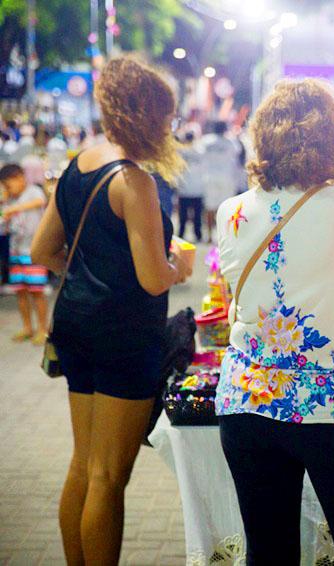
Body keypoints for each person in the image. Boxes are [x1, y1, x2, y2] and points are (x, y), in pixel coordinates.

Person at [215, 78, 334, 565]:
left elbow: (235, 291)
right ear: (330, 139)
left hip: (249, 399)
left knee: (268, 552)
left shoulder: (230, 211)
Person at [30, 55, 192, 566]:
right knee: (108, 476)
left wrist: (87, 278)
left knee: (84, 463)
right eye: (166, 118)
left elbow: (42, 251)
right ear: (146, 116)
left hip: (76, 327)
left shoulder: (80, 164)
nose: (170, 128)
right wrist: (180, 267)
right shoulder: (134, 181)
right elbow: (152, 278)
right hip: (125, 336)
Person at [0, 163, 48, 343]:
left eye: (8, 184)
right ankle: (28, 327)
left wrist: (14, 208)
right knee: (20, 291)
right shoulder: (10, 199)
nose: (7, 189)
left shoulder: (33, 191)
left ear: (20, 178)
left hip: (33, 251)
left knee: (37, 291)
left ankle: (43, 329)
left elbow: (40, 201)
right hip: (16, 250)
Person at [199, 121, 241, 242]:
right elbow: (237, 155)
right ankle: (225, 236)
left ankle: (209, 236)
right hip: (226, 177)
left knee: (209, 207)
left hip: (209, 177)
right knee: (226, 208)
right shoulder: (230, 142)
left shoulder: (206, 141)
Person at [177, 131, 205, 242]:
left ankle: (181, 234)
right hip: (197, 188)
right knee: (197, 216)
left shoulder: (181, 152)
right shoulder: (200, 151)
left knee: (183, 216)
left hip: (184, 189)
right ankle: (198, 235)